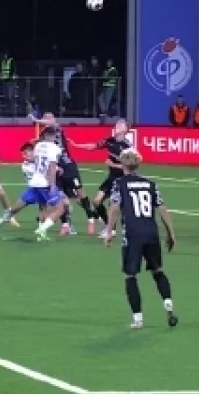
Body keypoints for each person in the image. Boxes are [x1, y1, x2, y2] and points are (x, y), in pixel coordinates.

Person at [103, 149, 178, 329]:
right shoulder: (150, 183)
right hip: (151, 232)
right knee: (157, 270)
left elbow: (114, 208)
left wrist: (109, 231)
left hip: (132, 234)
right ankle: (168, 303)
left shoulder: (119, 183)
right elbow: (162, 208)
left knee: (130, 276)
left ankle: (138, 319)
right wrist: (171, 233)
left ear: (122, 165)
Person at [31, 111, 98, 235]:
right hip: (56, 168)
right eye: (46, 118)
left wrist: (36, 120)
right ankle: (65, 224)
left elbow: (51, 123)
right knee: (61, 197)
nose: (48, 119)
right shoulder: (44, 135)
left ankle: (91, 219)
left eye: (50, 117)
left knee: (80, 193)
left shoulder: (57, 128)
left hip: (68, 166)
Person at [0, 138, 66, 237]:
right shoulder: (26, 166)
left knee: (45, 210)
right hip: (33, 190)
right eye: (26, 153)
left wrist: (56, 168)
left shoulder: (40, 160)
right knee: (14, 210)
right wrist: (56, 169)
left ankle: (42, 232)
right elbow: (45, 168)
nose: (28, 154)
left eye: (30, 151)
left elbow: (46, 166)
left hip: (42, 189)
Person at [69, 118, 132, 237]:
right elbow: (93, 146)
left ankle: (112, 230)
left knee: (114, 205)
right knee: (96, 202)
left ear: (126, 130)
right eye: (117, 124)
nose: (117, 126)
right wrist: (76, 145)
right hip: (111, 178)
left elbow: (130, 166)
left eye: (121, 125)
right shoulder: (109, 141)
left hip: (122, 179)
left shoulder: (127, 147)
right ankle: (108, 226)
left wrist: (113, 165)